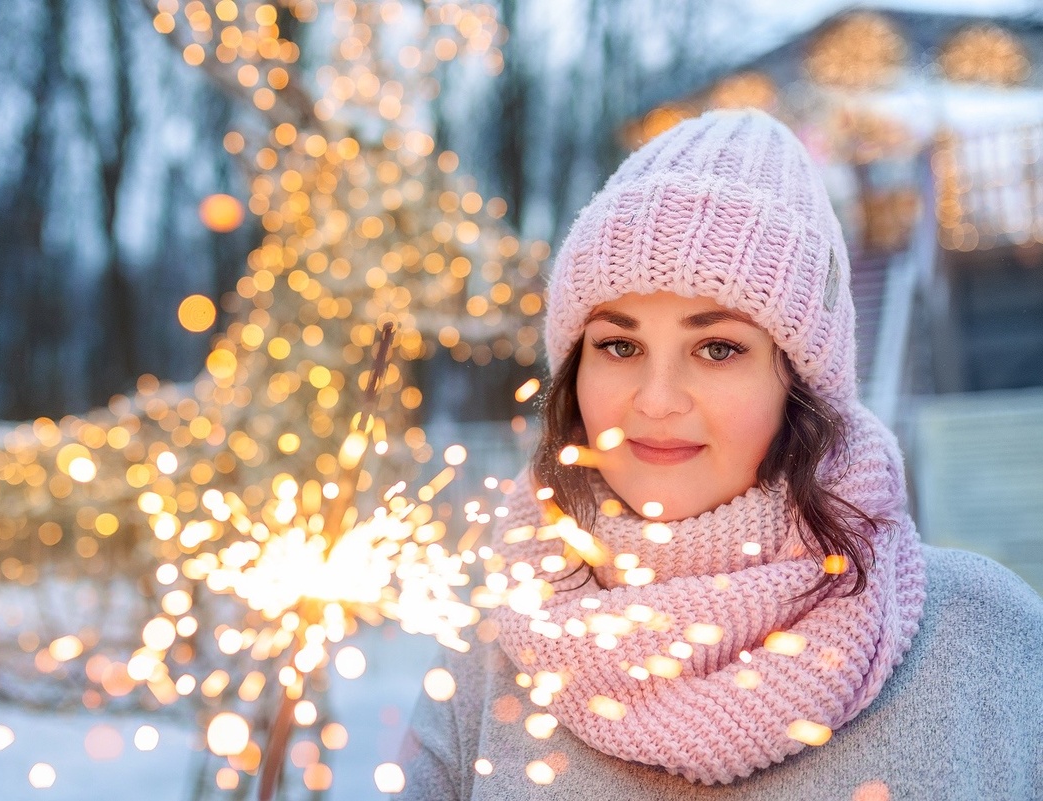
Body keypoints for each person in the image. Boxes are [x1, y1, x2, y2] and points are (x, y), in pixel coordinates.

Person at [398, 110, 1043, 799]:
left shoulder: (985, 638)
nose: (657, 399)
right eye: (620, 344)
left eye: (718, 348)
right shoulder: (488, 659)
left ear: (799, 383)